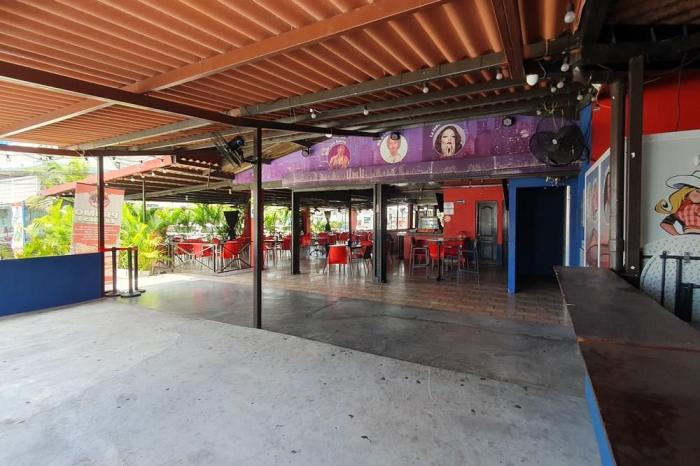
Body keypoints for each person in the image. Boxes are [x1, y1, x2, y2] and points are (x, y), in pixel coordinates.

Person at [655, 171, 700, 235]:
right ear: (687, 191)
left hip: (688, 237)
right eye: (698, 191)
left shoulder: (680, 210)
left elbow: (665, 223)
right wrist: (677, 236)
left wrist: (677, 236)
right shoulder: (686, 209)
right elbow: (665, 223)